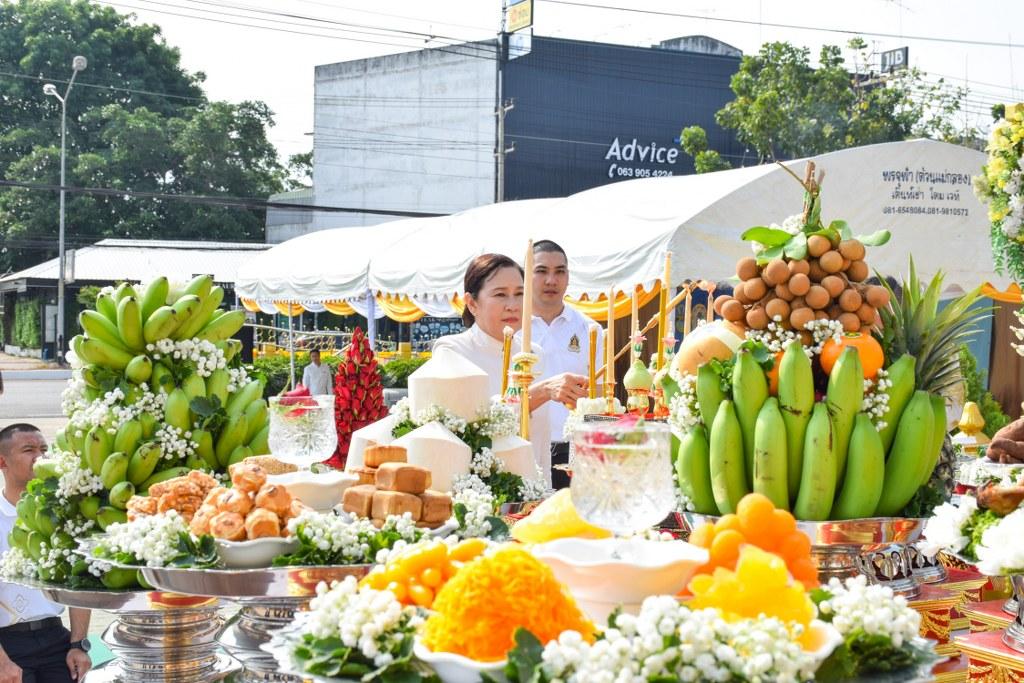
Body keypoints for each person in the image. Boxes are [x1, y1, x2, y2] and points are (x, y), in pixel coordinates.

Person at [433, 254, 585, 487]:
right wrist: (541, 392)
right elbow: (471, 427)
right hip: (477, 493)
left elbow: (539, 440)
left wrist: (541, 488)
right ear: (472, 303)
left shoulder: (533, 353)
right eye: (500, 294)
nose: (513, 305)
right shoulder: (452, 351)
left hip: (532, 490)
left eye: (520, 294)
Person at [0, 424, 92, 683]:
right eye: (28, 450)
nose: (39, 457)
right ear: (2, 461)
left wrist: (79, 643)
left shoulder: (60, 516)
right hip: (7, 645)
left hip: (56, 641)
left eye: (44, 449)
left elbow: (78, 582)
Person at [529, 240, 597, 488]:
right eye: (541, 271)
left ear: (568, 276)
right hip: (526, 444)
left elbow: (599, 393)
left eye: (559, 271)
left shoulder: (589, 329)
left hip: (574, 448)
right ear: (526, 275)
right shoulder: (512, 330)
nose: (551, 280)